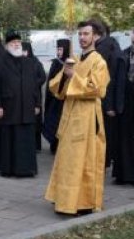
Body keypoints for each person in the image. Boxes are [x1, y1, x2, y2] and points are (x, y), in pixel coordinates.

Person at [45, 21, 110, 215]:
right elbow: (57, 88)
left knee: (85, 159)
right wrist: (65, 75)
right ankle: (64, 198)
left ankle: (83, 202)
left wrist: (74, 77)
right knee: (67, 158)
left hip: (88, 116)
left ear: (95, 36)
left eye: (86, 34)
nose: (82, 38)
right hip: (70, 113)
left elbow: (98, 89)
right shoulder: (73, 58)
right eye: (80, 34)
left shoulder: (99, 61)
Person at [0, 32, 40, 177]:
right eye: (13, 43)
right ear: (7, 46)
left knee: (26, 139)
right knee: (9, 139)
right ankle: (8, 168)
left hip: (27, 107)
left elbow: (35, 86)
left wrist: (37, 104)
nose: (17, 44)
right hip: (8, 107)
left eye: (18, 42)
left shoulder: (29, 62)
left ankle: (27, 169)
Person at [91, 20, 126, 168]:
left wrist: (110, 105)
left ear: (96, 34)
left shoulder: (103, 49)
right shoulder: (113, 45)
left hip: (104, 100)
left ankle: (101, 161)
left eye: (87, 33)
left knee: (102, 133)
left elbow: (108, 79)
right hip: (110, 101)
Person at [112, 28, 134, 184]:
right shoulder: (124, 54)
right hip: (126, 103)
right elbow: (116, 81)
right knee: (125, 138)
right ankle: (125, 174)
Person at [42, 39, 71, 154]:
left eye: (60, 49)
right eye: (57, 49)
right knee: (53, 122)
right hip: (54, 99)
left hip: (64, 100)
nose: (59, 52)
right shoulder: (56, 62)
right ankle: (54, 145)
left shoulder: (70, 63)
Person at [21, 41, 46, 151]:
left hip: (34, 96)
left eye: (25, 51)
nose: (23, 53)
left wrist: (33, 83)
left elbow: (42, 77)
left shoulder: (36, 62)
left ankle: (35, 145)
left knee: (34, 121)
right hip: (22, 96)